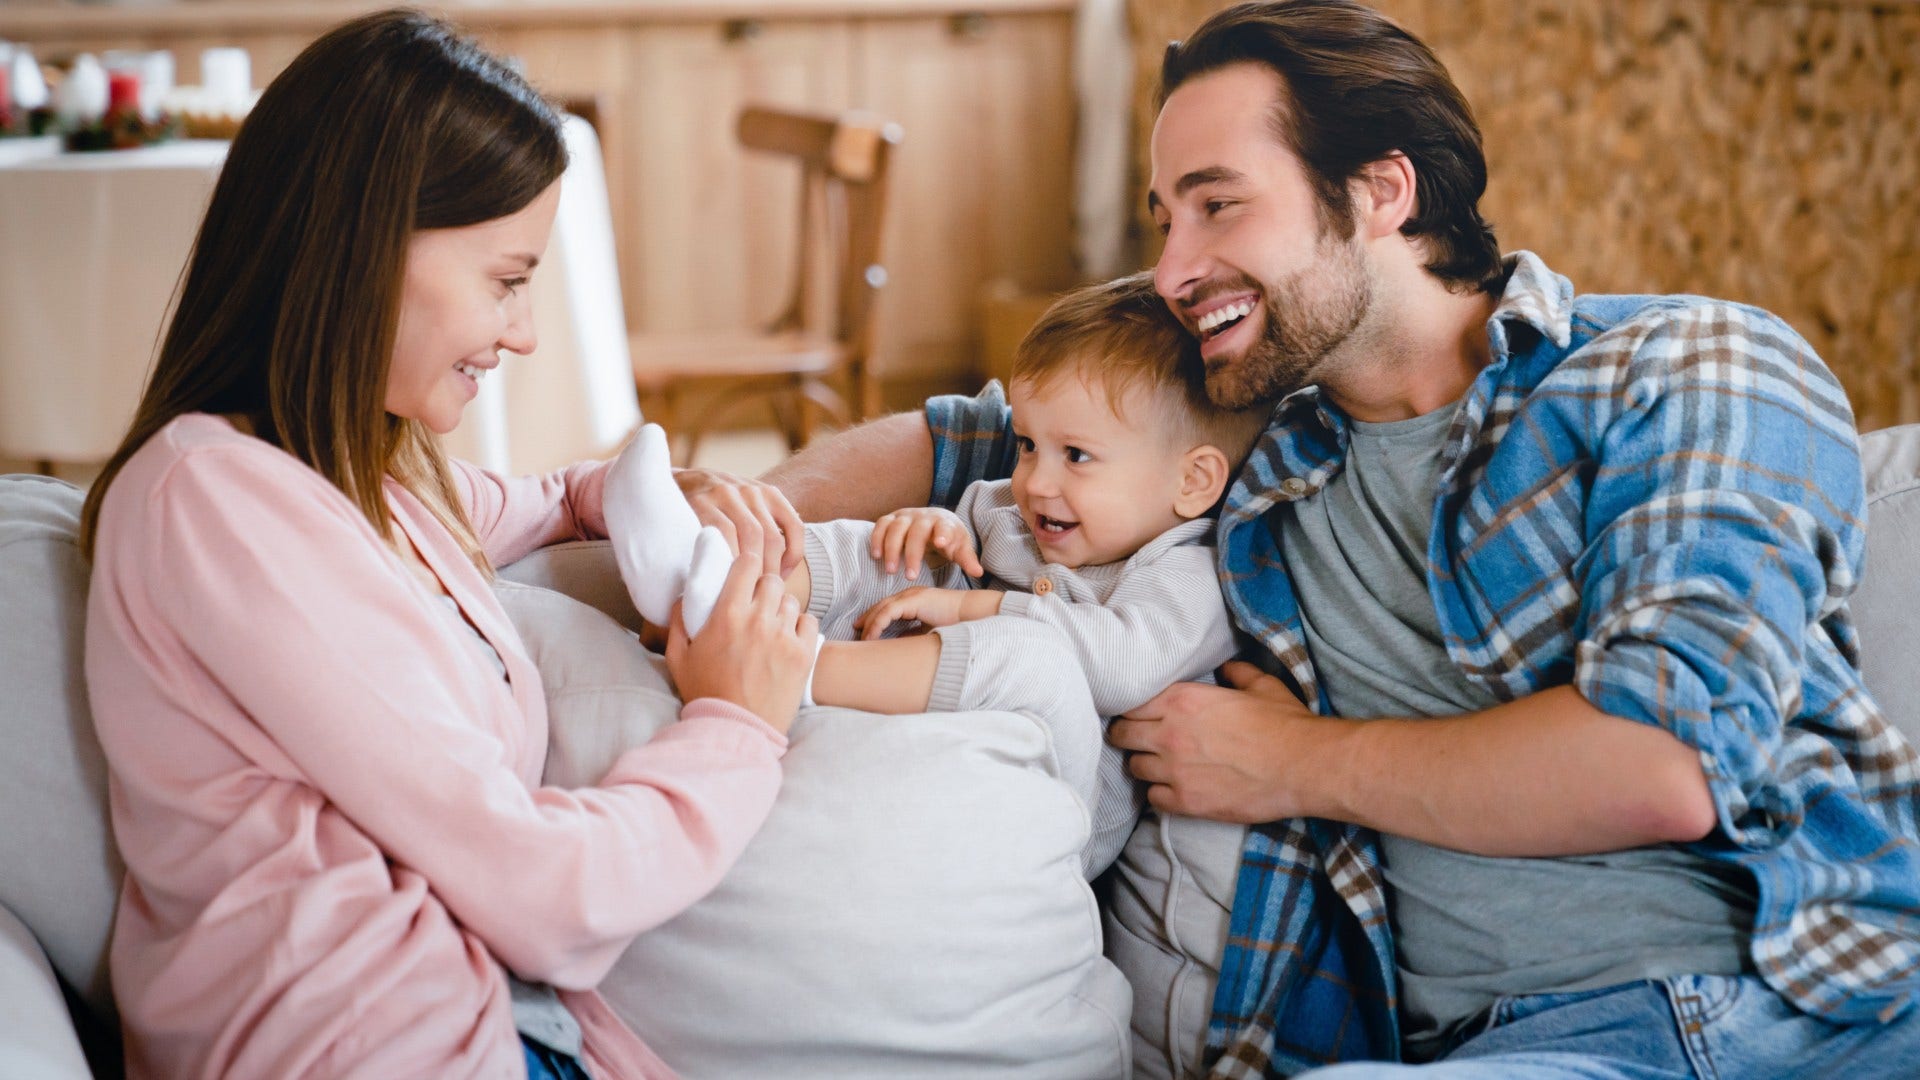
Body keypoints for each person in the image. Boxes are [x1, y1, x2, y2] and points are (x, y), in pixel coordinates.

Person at [756, 1, 1920, 1076]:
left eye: (1219, 205)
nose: (1168, 271)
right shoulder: (1264, 444)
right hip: (1458, 1046)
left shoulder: (1685, 370)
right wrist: (728, 506)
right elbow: (974, 436)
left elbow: (1662, 764)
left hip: (1755, 1008)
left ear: (1380, 193)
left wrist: (1287, 764)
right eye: (1166, 219)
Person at [79, 11, 817, 1079]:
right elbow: (546, 894)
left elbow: (520, 502)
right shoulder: (213, 503)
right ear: (366, 248)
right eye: (507, 280)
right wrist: (739, 724)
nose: (522, 333)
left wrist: (614, 491)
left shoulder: (350, 479)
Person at [603, 272, 1267, 874]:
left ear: (1192, 480)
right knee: (890, 551)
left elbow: (1120, 666)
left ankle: (789, 671)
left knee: (1032, 656)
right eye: (1031, 445)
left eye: (1078, 456)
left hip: (1057, 795)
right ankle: (705, 581)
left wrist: (976, 609)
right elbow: (962, 539)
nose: (1036, 480)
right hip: (953, 715)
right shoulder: (1025, 506)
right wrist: (934, 527)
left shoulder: (1190, 571)